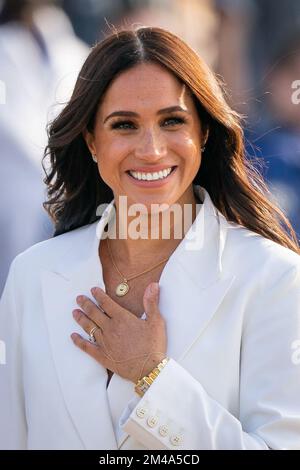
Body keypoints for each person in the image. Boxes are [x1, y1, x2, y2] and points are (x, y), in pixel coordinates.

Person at [0, 26, 300, 450]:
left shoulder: (274, 279)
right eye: (124, 125)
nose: (151, 150)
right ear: (90, 140)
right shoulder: (31, 276)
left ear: (205, 133)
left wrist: (152, 376)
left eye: (172, 121)